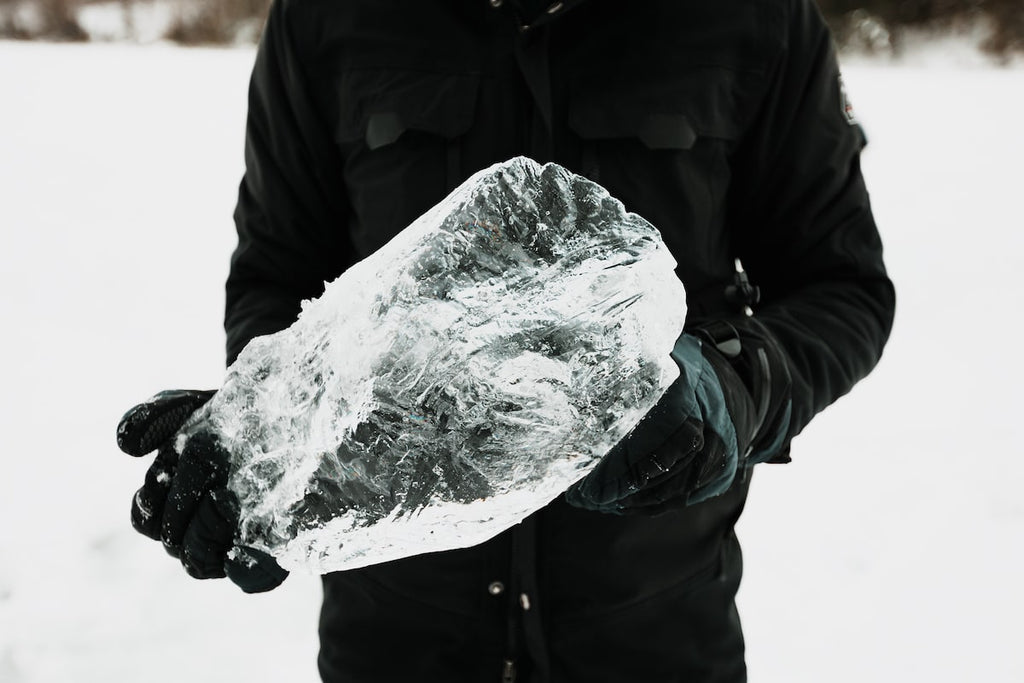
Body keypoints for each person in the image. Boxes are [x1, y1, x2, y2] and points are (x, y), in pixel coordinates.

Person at [117, 1, 895, 681]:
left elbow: (841, 286)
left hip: (656, 632)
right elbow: (275, 275)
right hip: (397, 642)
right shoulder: (325, 17)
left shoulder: (753, 18)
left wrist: (727, 391)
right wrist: (262, 433)